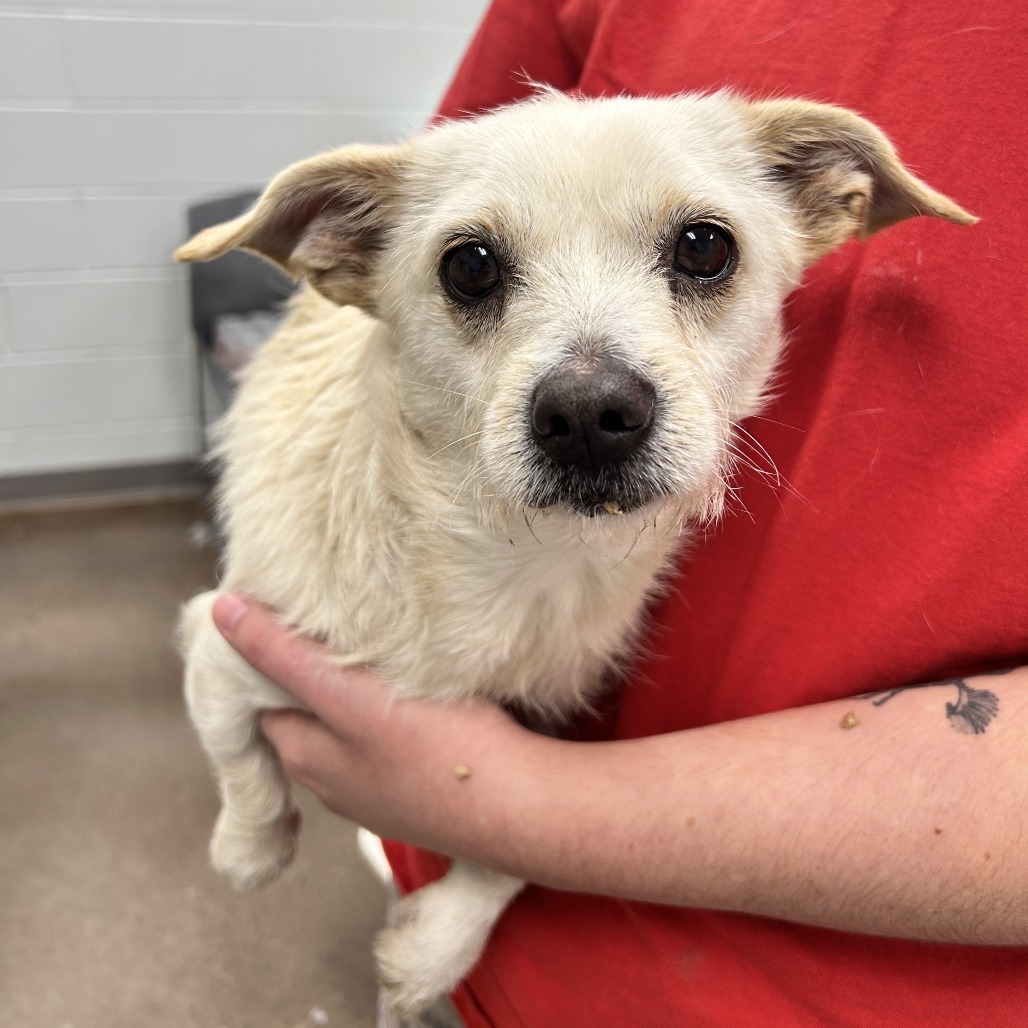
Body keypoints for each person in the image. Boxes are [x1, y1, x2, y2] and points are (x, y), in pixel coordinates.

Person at [210, 0, 1028, 1023]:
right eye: (476, 270)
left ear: (826, 205)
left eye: (697, 253)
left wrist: (507, 821)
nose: (590, 393)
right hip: (512, 925)